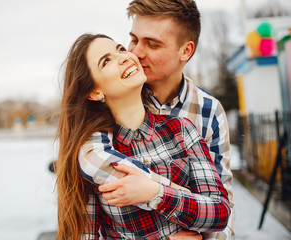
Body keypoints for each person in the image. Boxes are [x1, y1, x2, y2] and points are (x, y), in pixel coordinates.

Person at [81, 0, 235, 239]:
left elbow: (222, 206)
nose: (135, 52)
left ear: (185, 51)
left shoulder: (207, 112)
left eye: (152, 44)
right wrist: (162, 191)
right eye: (133, 40)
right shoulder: (106, 115)